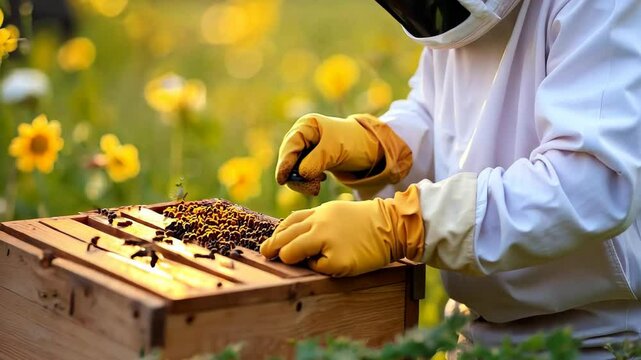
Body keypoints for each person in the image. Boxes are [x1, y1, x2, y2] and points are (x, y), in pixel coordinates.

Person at [260, 0, 641, 357]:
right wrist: (382, 148)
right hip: (473, 332)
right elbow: (439, 118)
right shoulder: (462, 16)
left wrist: (406, 223)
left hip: (598, 342)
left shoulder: (600, 8)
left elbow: (590, 183)